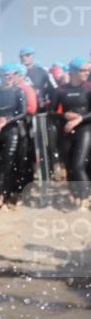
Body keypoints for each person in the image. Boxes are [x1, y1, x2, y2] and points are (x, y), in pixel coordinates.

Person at [0, 63, 27, 209]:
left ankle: (4, 197)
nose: (9, 78)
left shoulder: (18, 92)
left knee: (7, 165)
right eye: (5, 75)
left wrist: (7, 120)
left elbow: (23, 112)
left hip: (11, 130)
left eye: (11, 75)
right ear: (0, 77)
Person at [59, 58, 90, 208]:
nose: (86, 73)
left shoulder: (89, 88)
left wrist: (79, 119)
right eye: (82, 70)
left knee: (79, 164)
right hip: (66, 131)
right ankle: (75, 196)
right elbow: (51, 111)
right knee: (69, 165)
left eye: (87, 70)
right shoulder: (62, 90)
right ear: (73, 72)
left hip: (85, 129)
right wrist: (64, 116)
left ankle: (85, 198)